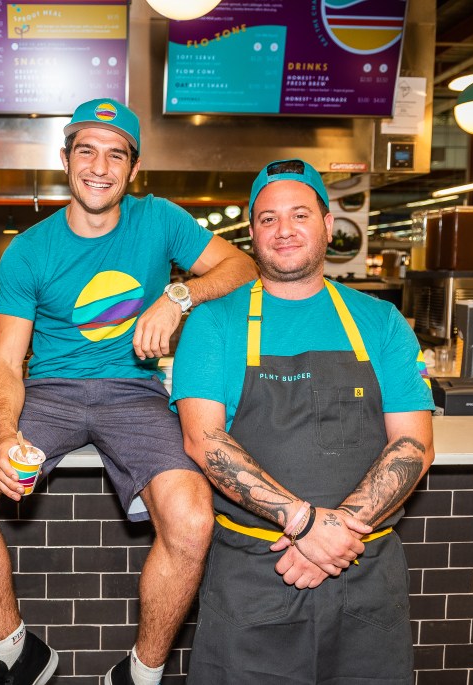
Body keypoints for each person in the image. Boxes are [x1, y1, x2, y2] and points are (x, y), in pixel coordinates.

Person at [0, 98, 257, 685]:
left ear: (134, 168)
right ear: (65, 159)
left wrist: (179, 295)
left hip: (135, 393)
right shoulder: (30, 249)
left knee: (191, 522)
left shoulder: (160, 219)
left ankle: (141, 674)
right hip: (49, 392)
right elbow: (5, 360)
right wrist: (4, 435)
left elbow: (242, 267)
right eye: (86, 151)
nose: (100, 167)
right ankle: (17, 652)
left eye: (115, 155)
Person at [172, 159, 435, 683]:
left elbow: (414, 445)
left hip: (363, 570)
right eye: (268, 219)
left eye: (300, 214)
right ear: (252, 233)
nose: (284, 230)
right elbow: (204, 441)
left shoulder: (380, 320)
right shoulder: (213, 322)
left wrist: (333, 539)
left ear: (328, 225)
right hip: (255, 572)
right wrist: (305, 524)